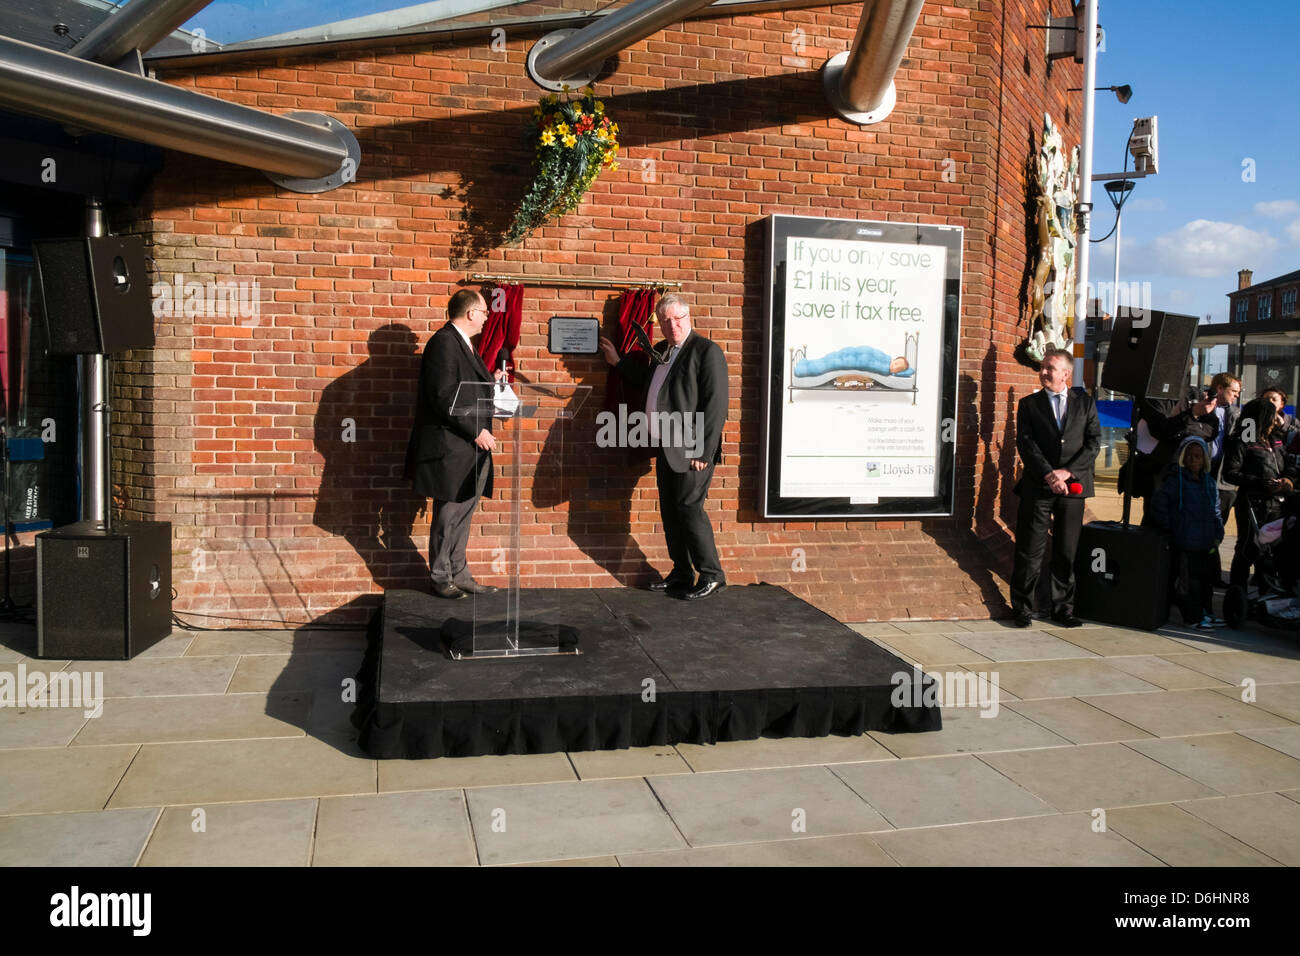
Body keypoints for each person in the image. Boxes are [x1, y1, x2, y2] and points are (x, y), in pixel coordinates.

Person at [598, 294, 729, 600]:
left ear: (688, 317)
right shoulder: (662, 350)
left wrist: (703, 452)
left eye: (678, 319)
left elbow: (716, 405)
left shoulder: (705, 351)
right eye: (666, 321)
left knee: (689, 509)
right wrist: (618, 363)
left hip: (692, 450)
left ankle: (712, 574)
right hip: (666, 446)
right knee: (671, 511)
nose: (673, 326)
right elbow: (649, 382)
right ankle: (681, 573)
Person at [404, 289, 503, 599]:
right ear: (471, 313)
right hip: (454, 448)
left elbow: (465, 390)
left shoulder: (464, 345)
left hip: (470, 451)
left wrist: (492, 379)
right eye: (485, 312)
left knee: (464, 514)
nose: (488, 318)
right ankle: (440, 576)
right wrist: (476, 431)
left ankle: (460, 573)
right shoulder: (444, 342)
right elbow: (443, 396)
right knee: (448, 515)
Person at [1009, 348, 1101, 628]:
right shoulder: (1029, 404)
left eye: (1051, 368)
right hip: (1038, 487)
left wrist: (1068, 472)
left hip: (1073, 488)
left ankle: (1063, 609)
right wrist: (1050, 474)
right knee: (1030, 549)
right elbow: (1026, 443)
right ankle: (1022, 608)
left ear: (1066, 374)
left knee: (1065, 550)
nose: (1044, 372)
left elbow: (1093, 442)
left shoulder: (1084, 403)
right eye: (1043, 367)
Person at [1148, 436, 1224, 629]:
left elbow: (1216, 511)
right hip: (1185, 540)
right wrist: (1171, 527)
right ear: (1182, 457)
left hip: (1206, 541)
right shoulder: (1175, 481)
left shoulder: (1209, 483)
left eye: (1198, 456)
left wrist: (1218, 532)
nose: (1193, 459)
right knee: (1188, 582)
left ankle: (1206, 612)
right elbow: (1159, 505)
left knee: (1205, 581)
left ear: (1204, 459)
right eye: (1189, 456)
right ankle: (1192, 617)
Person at [1224, 397, 1296, 590]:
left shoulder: (1276, 439)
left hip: (1278, 504)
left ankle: (1268, 592)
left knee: (1274, 551)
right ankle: (1237, 594)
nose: (1275, 420)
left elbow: (1289, 463)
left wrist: (1287, 480)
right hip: (1252, 504)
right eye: (1271, 416)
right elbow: (1230, 473)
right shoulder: (1244, 438)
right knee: (1248, 549)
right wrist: (1260, 483)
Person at [1204, 373, 1242, 526]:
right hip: (1201, 472)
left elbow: (1248, 441)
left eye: (1238, 392)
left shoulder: (1239, 414)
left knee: (1218, 524)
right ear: (1220, 388)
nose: (1236, 396)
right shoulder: (1200, 407)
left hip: (1224, 479)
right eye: (1234, 392)